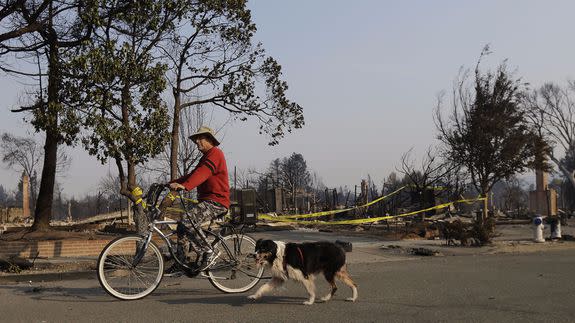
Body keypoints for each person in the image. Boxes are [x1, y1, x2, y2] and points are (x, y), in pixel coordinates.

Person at [167, 126, 230, 272]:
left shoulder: (215, 153)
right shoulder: (205, 157)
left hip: (217, 201)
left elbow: (203, 173)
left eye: (200, 138)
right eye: (196, 139)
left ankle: (209, 251)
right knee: (182, 227)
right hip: (207, 201)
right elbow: (193, 174)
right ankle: (181, 262)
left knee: (188, 221)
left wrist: (185, 186)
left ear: (209, 139)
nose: (197, 141)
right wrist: (171, 183)